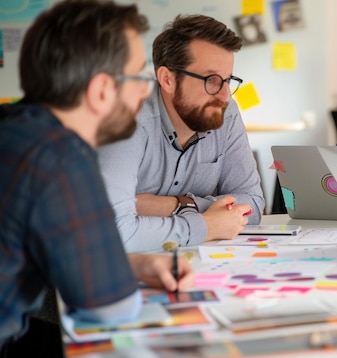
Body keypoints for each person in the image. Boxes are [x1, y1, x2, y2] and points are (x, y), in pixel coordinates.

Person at [0, 1, 194, 356]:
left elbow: (63, 256)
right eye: (138, 76)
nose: (146, 91)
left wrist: (135, 263)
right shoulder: (61, 158)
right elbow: (108, 306)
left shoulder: (16, 129)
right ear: (102, 89)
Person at [97, 14, 265, 253]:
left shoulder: (225, 112)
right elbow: (112, 231)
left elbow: (254, 205)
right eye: (212, 80)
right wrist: (206, 225)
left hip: (188, 263)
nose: (224, 95)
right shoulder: (125, 117)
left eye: (228, 80)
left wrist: (172, 206)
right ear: (167, 79)